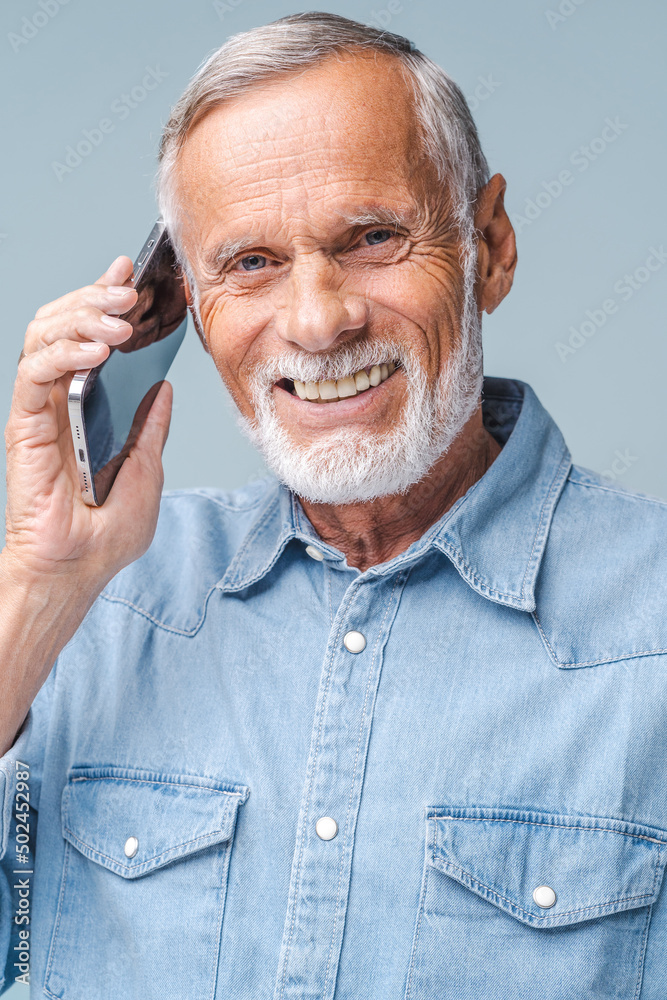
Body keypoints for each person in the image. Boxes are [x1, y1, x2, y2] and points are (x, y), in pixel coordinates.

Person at [2, 12, 667, 999]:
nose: (317, 322)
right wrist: (37, 593)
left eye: (371, 239)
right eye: (250, 263)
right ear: (185, 301)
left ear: (490, 245)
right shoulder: (96, 601)